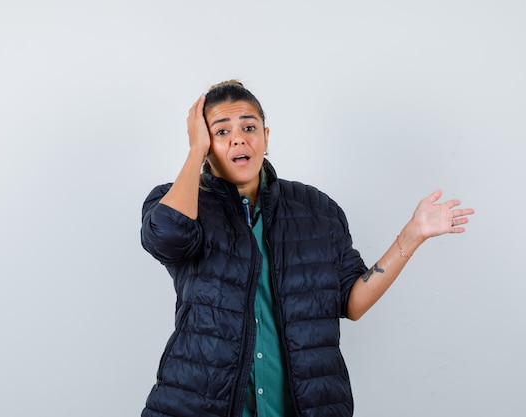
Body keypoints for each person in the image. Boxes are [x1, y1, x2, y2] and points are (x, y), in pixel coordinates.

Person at [140, 80, 474, 417]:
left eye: (248, 127)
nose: (238, 137)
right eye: (221, 132)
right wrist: (195, 149)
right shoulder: (180, 202)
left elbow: (352, 302)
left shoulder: (317, 209)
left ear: (266, 138)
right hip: (199, 405)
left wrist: (413, 233)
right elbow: (167, 237)